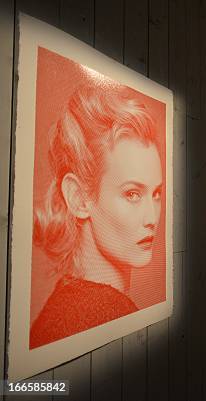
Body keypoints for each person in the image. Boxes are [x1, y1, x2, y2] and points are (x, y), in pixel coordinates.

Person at [30, 85, 163, 348]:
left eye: (156, 194)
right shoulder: (106, 313)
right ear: (78, 198)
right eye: (132, 194)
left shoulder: (63, 306)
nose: (152, 218)